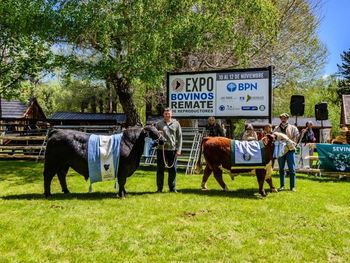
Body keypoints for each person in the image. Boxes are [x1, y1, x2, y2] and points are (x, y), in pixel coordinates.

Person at [155, 107, 182, 193]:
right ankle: (159, 188)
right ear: (163, 114)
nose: (167, 115)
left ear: (171, 114)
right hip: (161, 149)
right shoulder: (158, 124)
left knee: (173, 169)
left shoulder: (176, 123)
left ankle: (172, 188)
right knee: (160, 169)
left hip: (172, 149)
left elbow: (180, 137)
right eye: (166, 113)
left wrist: (179, 150)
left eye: (169, 113)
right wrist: (157, 134)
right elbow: (154, 136)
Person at [273, 113, 300, 192]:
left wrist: (293, 143)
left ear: (287, 118)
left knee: (292, 169)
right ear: (280, 118)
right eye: (282, 118)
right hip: (280, 151)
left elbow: (296, 137)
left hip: (290, 150)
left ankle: (292, 187)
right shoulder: (276, 128)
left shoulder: (293, 128)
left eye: (285, 118)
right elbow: (273, 138)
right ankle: (282, 186)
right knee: (281, 169)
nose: (283, 119)